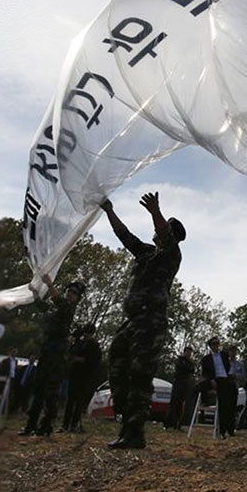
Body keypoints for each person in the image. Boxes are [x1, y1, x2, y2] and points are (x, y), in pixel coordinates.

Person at [99, 192, 187, 449]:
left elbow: (165, 234)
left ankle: (135, 433)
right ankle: (127, 423)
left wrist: (155, 212)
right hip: (133, 321)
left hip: (151, 322)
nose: (158, 232)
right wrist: (109, 211)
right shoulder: (147, 253)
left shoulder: (172, 255)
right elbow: (124, 236)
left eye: (164, 229)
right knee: (117, 366)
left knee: (140, 374)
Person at [19, 276, 84, 437]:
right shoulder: (58, 309)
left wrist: (49, 284)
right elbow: (43, 307)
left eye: (74, 293)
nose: (70, 294)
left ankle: (46, 426)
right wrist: (35, 293)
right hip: (47, 351)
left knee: (51, 391)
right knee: (38, 388)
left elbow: (59, 302)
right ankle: (31, 425)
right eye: (69, 291)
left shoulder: (69, 309)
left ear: (77, 298)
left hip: (58, 355)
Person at [61, 323, 102, 432]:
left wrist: (80, 359)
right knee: (70, 400)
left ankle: (74, 424)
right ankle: (65, 425)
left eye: (88, 333)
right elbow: (70, 352)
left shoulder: (94, 346)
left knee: (79, 401)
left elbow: (94, 361)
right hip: (74, 374)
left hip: (85, 376)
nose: (86, 335)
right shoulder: (79, 343)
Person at [200, 337, 235, 438]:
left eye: (217, 344)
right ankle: (222, 430)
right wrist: (211, 380)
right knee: (223, 404)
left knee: (232, 401)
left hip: (225, 378)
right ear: (210, 346)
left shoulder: (224, 355)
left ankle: (230, 428)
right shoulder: (206, 359)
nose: (216, 346)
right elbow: (204, 373)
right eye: (214, 344)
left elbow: (229, 366)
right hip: (216, 380)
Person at [163, 346, 196, 430]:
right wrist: (187, 368)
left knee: (181, 404)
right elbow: (181, 368)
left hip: (186, 384)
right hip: (178, 383)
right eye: (187, 352)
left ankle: (178, 424)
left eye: (190, 352)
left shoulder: (190, 362)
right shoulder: (180, 360)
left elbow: (192, 370)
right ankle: (167, 423)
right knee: (174, 403)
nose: (189, 354)